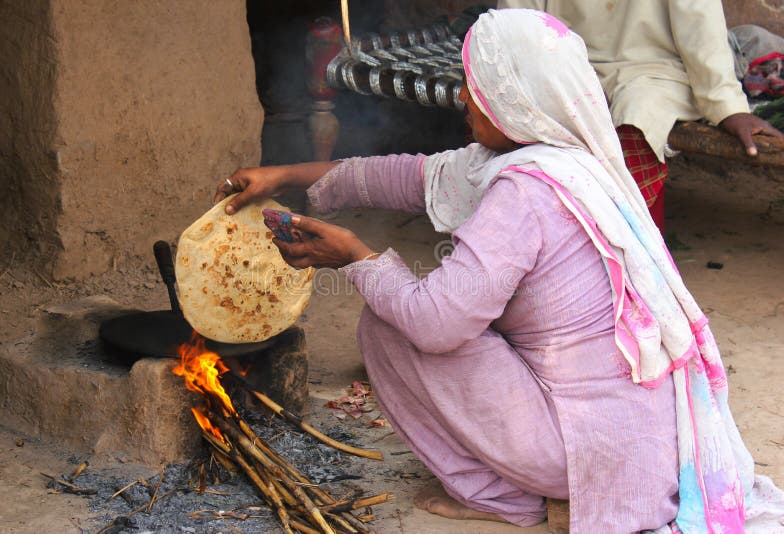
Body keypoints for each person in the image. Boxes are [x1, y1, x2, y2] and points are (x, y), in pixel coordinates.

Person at [215, 9, 784, 532]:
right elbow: (405, 177)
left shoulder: (523, 195)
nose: (464, 95)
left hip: (574, 451)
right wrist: (283, 175)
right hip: (637, 441)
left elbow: (436, 324)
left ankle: (498, 496)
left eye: (478, 84)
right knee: (429, 310)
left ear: (511, 95)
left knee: (388, 327)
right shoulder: (570, 158)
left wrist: (356, 257)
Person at [497, 0, 784, 233]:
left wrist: (728, 107)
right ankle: (545, 247)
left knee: (640, 116)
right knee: (524, 115)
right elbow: (518, 18)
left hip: (652, 69)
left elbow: (700, 25)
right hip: (566, 58)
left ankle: (637, 260)